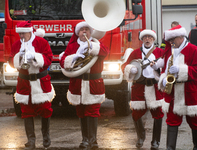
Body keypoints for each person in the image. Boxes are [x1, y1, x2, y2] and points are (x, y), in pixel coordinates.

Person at [59, 21, 109, 149]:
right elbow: (63, 61)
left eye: (87, 29)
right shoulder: (72, 46)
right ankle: (85, 139)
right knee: (81, 111)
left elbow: (105, 52)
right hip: (78, 83)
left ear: (90, 32)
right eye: (82, 30)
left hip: (93, 83)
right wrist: (75, 56)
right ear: (78, 33)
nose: (84, 32)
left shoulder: (96, 44)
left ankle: (93, 140)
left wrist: (92, 47)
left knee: (92, 111)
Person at [9, 21, 55, 150]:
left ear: (30, 32)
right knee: (26, 111)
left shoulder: (41, 42)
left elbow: (48, 59)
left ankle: (46, 136)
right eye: (20, 34)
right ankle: (31, 140)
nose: (22, 36)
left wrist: (35, 56)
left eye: (24, 33)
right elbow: (11, 61)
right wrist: (19, 56)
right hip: (24, 82)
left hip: (40, 82)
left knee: (45, 109)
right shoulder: (17, 44)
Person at [158, 25, 197, 150]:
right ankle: (170, 148)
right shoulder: (169, 51)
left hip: (190, 91)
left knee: (195, 122)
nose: (171, 43)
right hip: (173, 93)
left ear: (181, 37)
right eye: (170, 40)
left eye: (173, 40)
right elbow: (164, 69)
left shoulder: (194, 50)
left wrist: (182, 70)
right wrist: (164, 79)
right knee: (171, 120)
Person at [121, 29, 164, 150]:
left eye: (150, 37)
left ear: (153, 39)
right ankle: (141, 136)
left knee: (158, 114)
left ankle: (155, 141)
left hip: (154, 86)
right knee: (136, 113)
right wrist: (130, 69)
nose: (147, 39)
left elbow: (167, 65)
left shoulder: (160, 51)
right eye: (145, 37)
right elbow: (123, 66)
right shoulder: (135, 53)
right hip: (139, 86)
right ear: (142, 39)